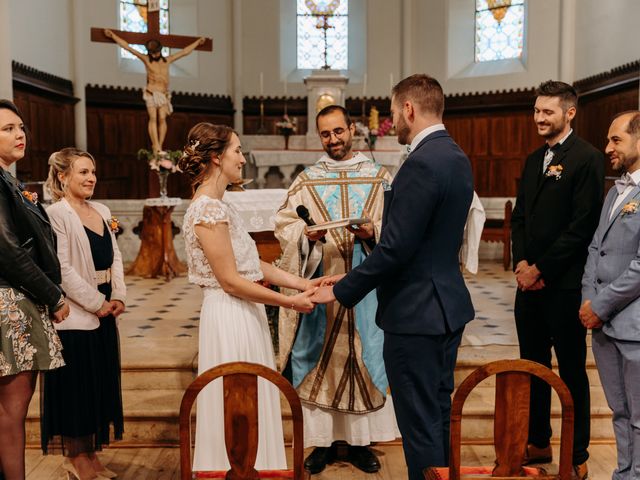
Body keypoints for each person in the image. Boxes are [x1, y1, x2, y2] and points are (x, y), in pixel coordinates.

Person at [311, 74, 475, 480]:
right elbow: (424, 240)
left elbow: (397, 249)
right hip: (446, 308)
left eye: (393, 112)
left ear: (408, 109)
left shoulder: (420, 163)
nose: (393, 121)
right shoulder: (455, 155)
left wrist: (344, 287)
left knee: (419, 426)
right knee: (436, 414)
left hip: (415, 316)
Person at [179, 122, 319, 470]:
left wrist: (303, 284)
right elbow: (229, 281)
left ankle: (258, 470)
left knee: (253, 400)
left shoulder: (222, 206)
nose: (243, 158)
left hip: (244, 312)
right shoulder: (207, 209)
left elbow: (251, 265)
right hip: (230, 314)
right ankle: (234, 470)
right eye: (237, 151)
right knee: (237, 405)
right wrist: (290, 302)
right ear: (216, 157)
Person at [274, 105, 397, 474]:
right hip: (321, 284)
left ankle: (360, 444)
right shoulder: (307, 180)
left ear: (353, 129)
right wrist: (308, 238)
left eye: (338, 131)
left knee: (363, 357)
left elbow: (395, 225)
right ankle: (323, 443)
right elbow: (284, 225)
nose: (333, 140)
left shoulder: (379, 177)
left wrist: (373, 234)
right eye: (326, 134)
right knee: (319, 365)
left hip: (366, 289)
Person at [510, 80, 604, 479]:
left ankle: (577, 454)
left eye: (547, 112)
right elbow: (519, 219)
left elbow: (582, 226)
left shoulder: (587, 158)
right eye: (536, 111)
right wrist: (521, 264)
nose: (539, 118)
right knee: (533, 367)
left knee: (570, 371)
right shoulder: (534, 159)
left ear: (569, 113)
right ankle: (538, 440)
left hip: (563, 286)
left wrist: (541, 269)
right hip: (528, 287)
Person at [41, 148, 127, 480]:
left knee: (98, 384)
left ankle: (90, 454)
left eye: (92, 171)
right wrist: (95, 302)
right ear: (62, 177)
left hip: (106, 307)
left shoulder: (102, 210)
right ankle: (75, 457)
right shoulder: (56, 214)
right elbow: (60, 269)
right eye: (82, 172)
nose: (91, 178)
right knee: (77, 387)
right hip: (76, 315)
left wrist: (118, 294)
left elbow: (115, 256)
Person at [0, 99, 68, 480]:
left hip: (13, 299)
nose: (19, 134)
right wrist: (53, 295)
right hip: (9, 303)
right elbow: (6, 250)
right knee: (12, 411)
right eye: (7, 128)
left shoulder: (9, 181)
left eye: (21, 127)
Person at [580, 110, 640, 480]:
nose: (607, 148)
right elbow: (594, 249)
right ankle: (624, 473)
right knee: (619, 411)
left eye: (616, 139)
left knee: (639, 416)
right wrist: (588, 301)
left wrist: (600, 305)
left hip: (634, 325)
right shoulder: (614, 191)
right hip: (603, 325)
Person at [104, 28, 205, 154]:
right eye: (152, 52)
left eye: (156, 52)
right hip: (151, 92)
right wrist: (113, 35)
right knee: (153, 117)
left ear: (160, 51)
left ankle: (160, 145)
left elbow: (184, 52)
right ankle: (155, 145)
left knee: (162, 118)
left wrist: (197, 42)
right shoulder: (146, 60)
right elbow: (128, 48)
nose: (155, 54)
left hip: (163, 93)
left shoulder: (167, 60)